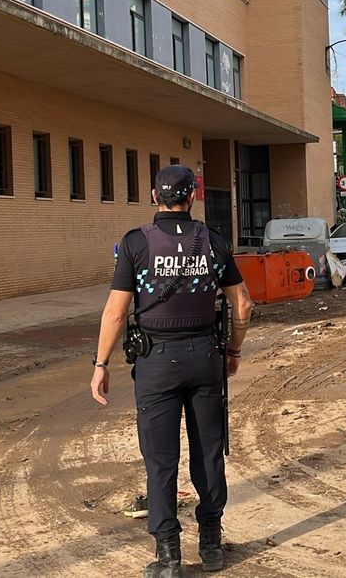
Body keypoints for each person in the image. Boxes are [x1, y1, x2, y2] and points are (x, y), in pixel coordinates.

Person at [90, 165, 254, 577]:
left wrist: (100, 364)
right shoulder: (213, 243)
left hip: (156, 362)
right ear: (192, 198)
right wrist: (233, 350)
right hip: (204, 358)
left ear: (153, 197)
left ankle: (168, 557)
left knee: (160, 461)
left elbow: (115, 311)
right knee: (208, 453)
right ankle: (211, 544)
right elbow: (244, 305)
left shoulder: (135, 244)